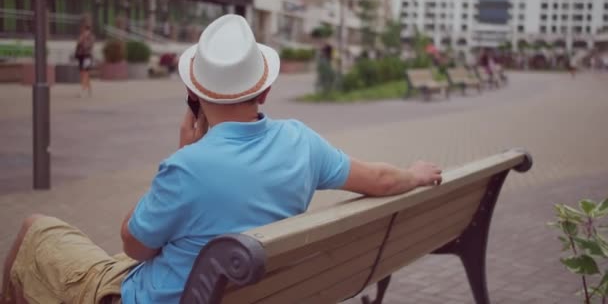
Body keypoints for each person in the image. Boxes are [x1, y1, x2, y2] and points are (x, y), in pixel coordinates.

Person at [1, 15, 442, 304]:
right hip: (251, 293)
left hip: (156, 297)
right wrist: (417, 174)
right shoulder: (302, 143)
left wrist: (184, 154)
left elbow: (134, 246)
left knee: (34, 229)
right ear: (264, 90)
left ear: (195, 95)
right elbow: (382, 180)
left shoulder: (189, 166)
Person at [75, 19, 95, 97]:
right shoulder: (81, 36)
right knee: (83, 73)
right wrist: (80, 39)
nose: (83, 31)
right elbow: (77, 44)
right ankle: (89, 90)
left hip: (87, 56)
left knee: (85, 73)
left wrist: (84, 39)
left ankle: (82, 90)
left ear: (88, 30)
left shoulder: (91, 37)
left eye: (84, 30)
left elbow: (88, 46)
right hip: (81, 56)